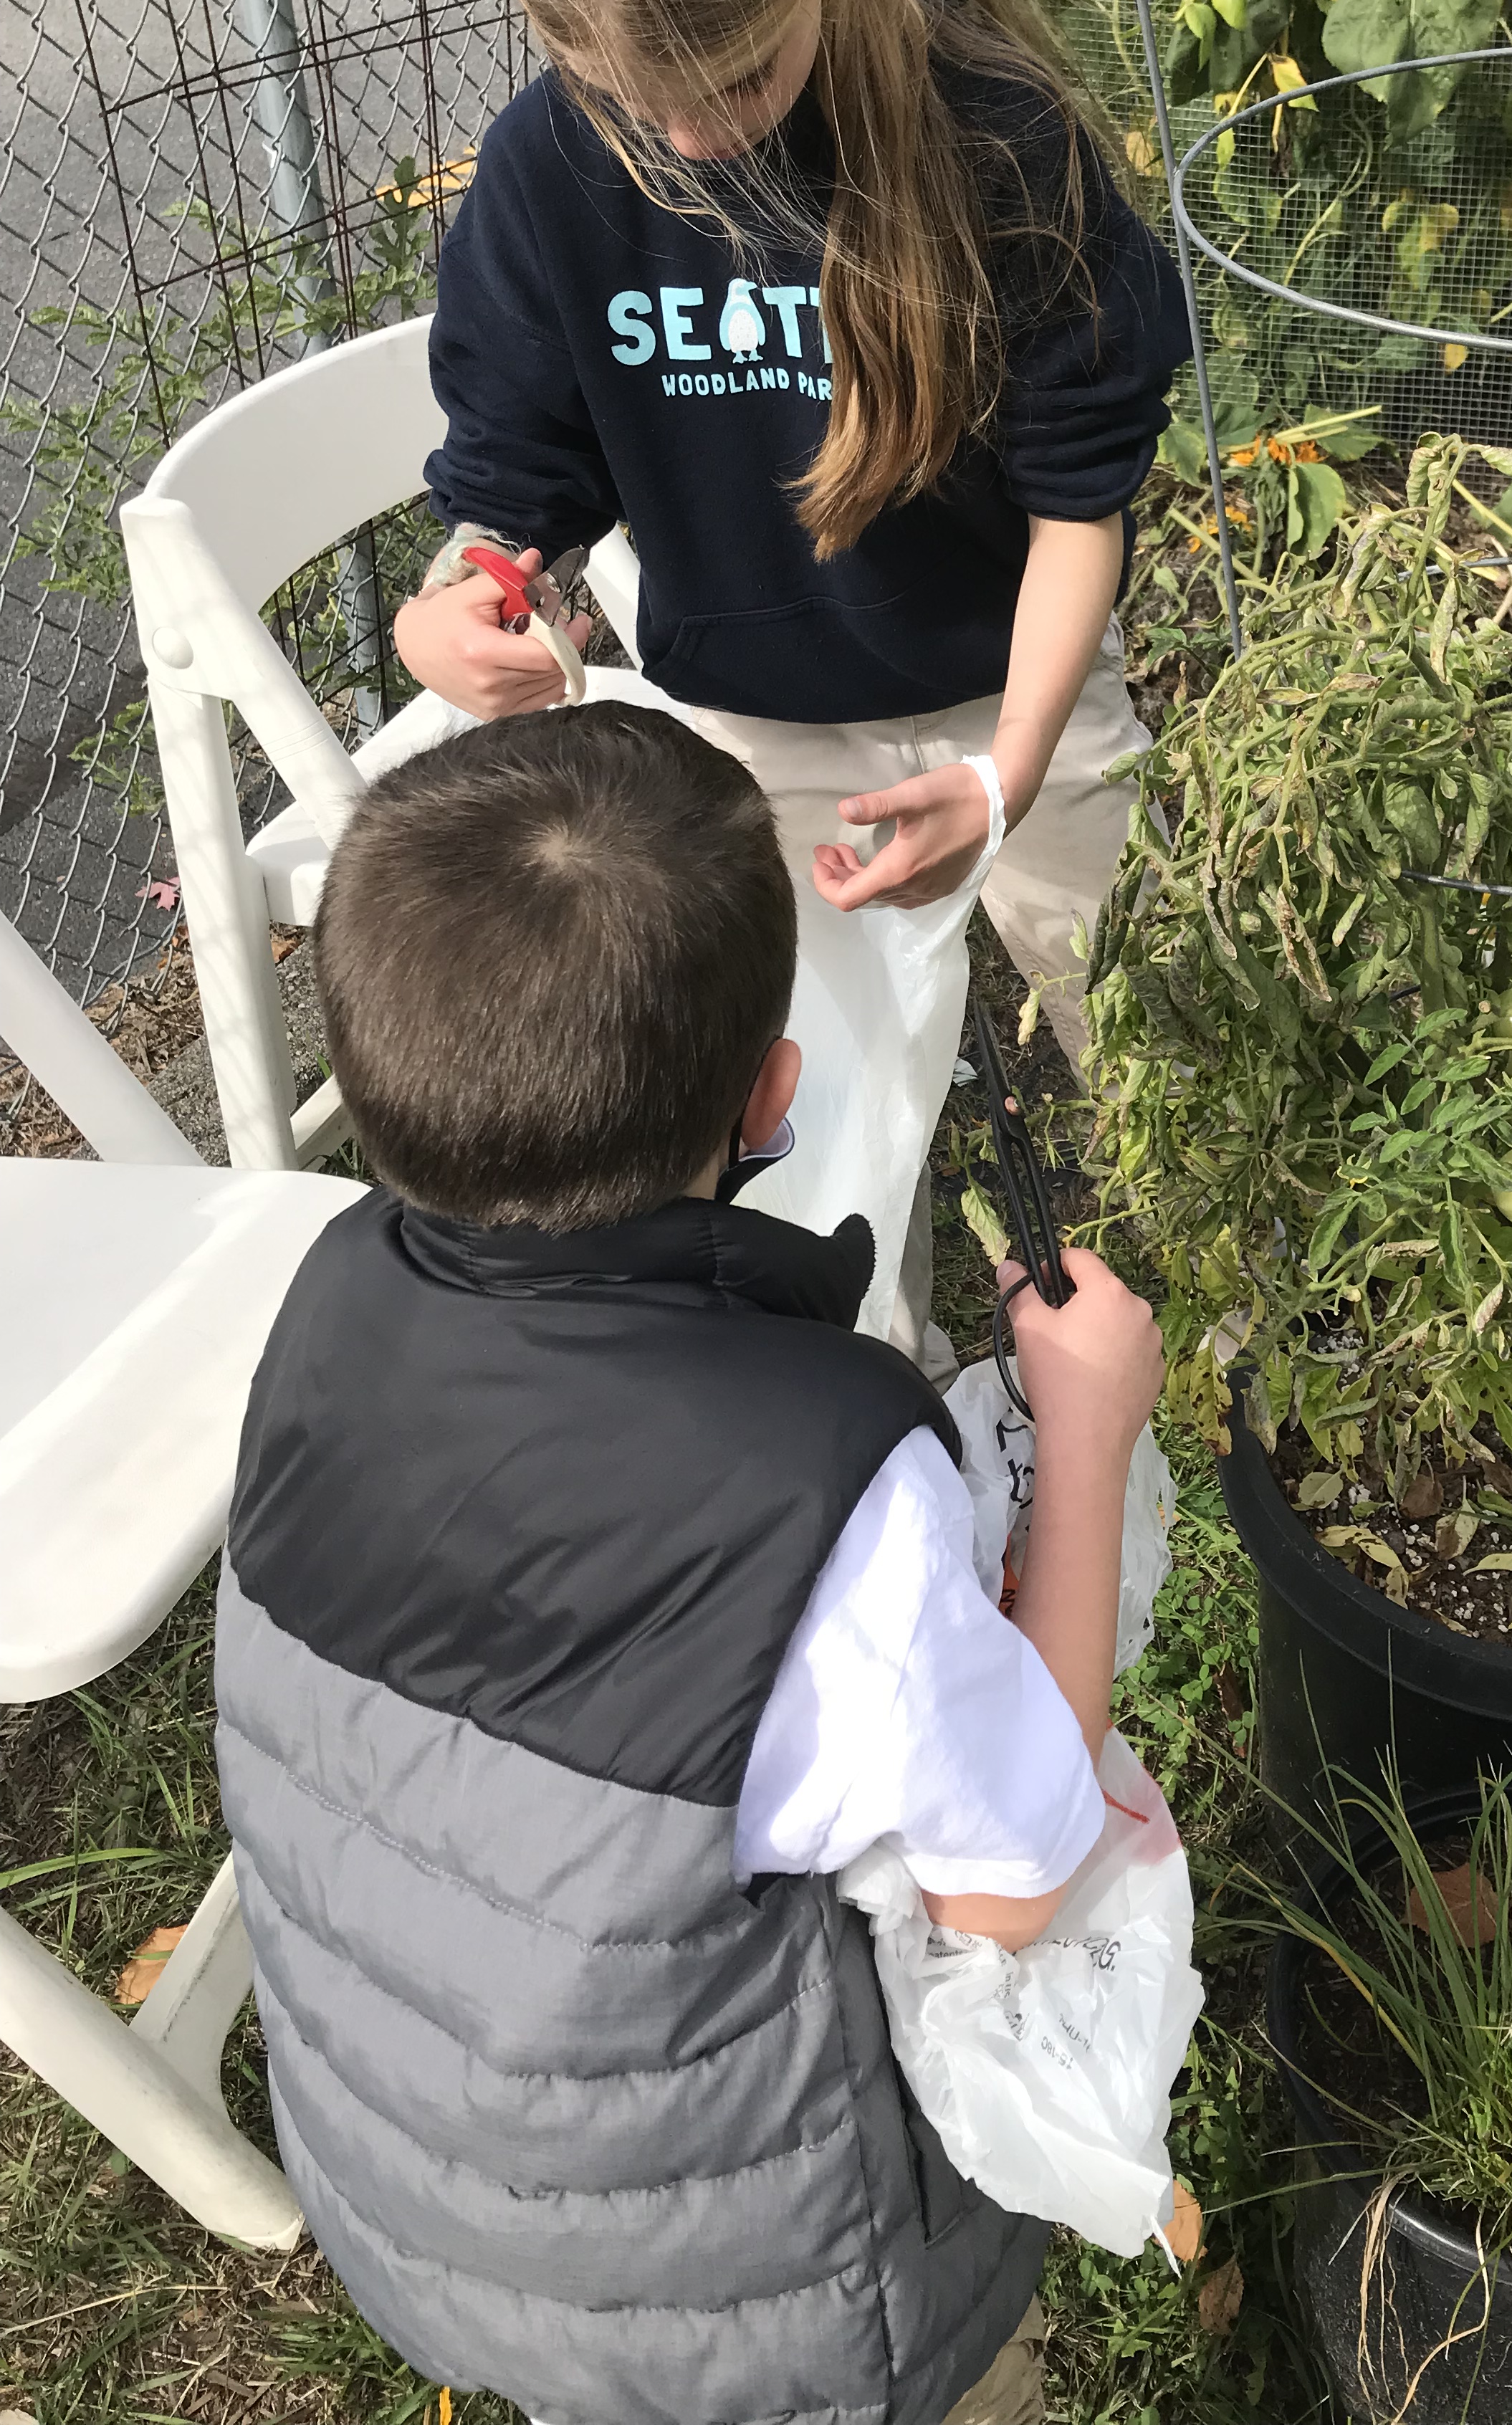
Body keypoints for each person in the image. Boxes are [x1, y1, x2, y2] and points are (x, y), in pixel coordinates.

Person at [213, 703, 1166, 2425]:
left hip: (402, 2190)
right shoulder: (824, 1483)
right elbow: (1015, 1884)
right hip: (752, 2312)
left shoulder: (326, 1297)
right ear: (775, 1092)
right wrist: (1086, 1439)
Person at [392, 0, 1190, 1369]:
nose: (695, 146)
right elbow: (514, 486)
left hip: (1017, 684)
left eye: (744, 81)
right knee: (809, 1136)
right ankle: (860, 1405)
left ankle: (1226, 1316)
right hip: (750, 727)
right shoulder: (546, 174)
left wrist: (1007, 771)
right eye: (639, 101)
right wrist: (460, 596)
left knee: (1148, 1022)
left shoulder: (1000, 138)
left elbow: (1080, 510)